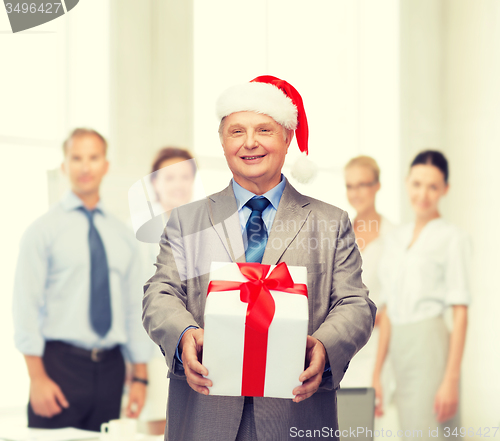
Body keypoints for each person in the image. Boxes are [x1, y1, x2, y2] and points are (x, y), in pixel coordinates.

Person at [142, 75, 376, 441]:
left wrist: (326, 346)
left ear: (287, 138)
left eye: (264, 130)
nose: (249, 142)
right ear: (222, 142)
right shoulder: (187, 220)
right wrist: (184, 333)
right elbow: (160, 292)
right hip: (205, 414)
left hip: (296, 413)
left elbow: (355, 303)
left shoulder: (330, 222)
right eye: (236, 131)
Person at [13, 128, 151, 431]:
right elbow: (26, 307)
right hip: (58, 368)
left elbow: (133, 309)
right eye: (76, 158)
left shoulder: (123, 236)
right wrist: (36, 379)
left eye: (93, 157)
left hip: (112, 371)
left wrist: (140, 377)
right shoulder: (42, 231)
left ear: (105, 165)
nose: (85, 167)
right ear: (64, 166)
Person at [373, 150, 471, 441]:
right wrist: (377, 372)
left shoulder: (453, 238)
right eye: (417, 184)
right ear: (406, 183)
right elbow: (388, 309)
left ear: (445, 190)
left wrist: (450, 379)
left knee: (432, 433)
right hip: (399, 350)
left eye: (433, 186)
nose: (423, 194)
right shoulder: (394, 239)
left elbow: (461, 311)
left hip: (431, 348)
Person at [139, 147, 196, 435]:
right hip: (149, 352)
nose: (178, 184)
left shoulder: (203, 227)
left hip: (194, 350)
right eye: (169, 177)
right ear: (154, 183)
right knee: (157, 428)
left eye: (185, 176)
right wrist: (136, 368)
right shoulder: (141, 232)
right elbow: (133, 300)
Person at [341, 157, 395, 390]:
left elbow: (391, 310)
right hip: (340, 347)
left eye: (362, 184)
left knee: (371, 423)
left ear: (377, 185)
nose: (355, 193)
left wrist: (377, 374)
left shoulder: (394, 237)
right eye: (350, 186)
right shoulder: (339, 234)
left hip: (376, 351)